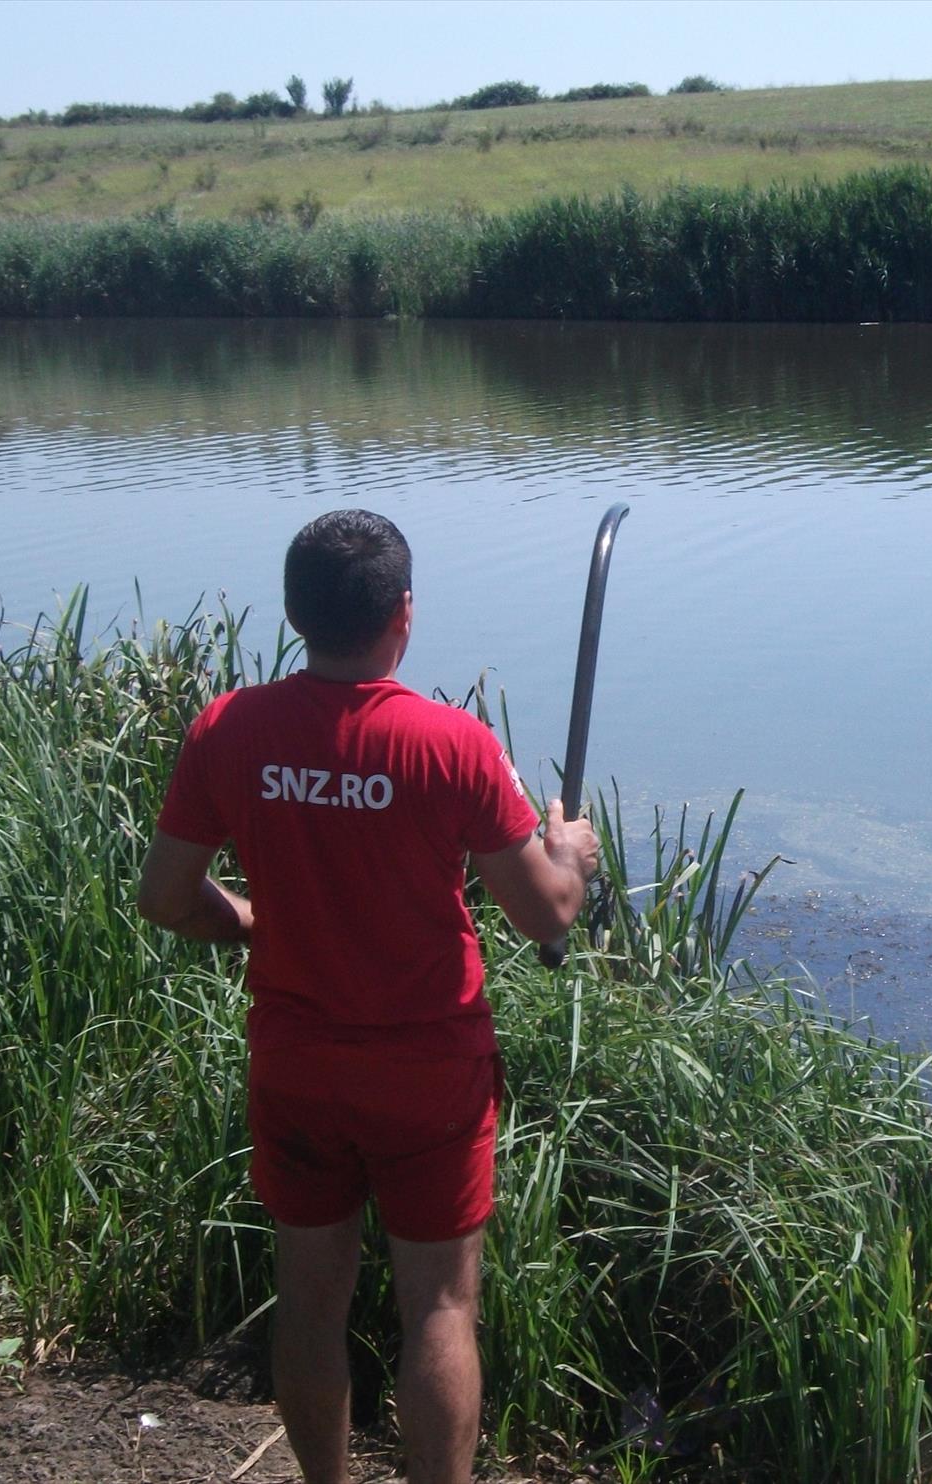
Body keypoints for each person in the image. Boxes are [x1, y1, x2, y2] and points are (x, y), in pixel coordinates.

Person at [137, 509, 600, 1484]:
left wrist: (251, 920)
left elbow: (166, 898)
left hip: (299, 1063)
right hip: (429, 1073)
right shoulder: (454, 744)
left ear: (295, 614)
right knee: (440, 1306)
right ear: (404, 615)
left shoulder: (229, 729)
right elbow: (546, 913)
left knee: (311, 1301)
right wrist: (572, 856)